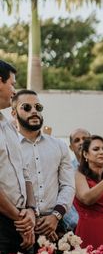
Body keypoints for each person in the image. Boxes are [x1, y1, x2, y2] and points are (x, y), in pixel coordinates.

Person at [12, 90, 74, 242]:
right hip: (18, 226)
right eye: (26, 107)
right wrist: (25, 219)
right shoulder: (8, 146)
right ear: (14, 113)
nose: (34, 111)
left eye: (38, 107)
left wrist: (55, 216)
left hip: (55, 227)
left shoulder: (59, 146)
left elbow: (68, 186)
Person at [0, 60, 36, 254]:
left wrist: (30, 210)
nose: (14, 91)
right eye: (12, 84)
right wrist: (20, 219)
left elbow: (24, 172)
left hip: (22, 221)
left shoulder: (10, 127)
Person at [63, 127, 90, 233]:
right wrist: (79, 223)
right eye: (77, 140)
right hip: (78, 228)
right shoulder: (66, 169)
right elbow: (64, 199)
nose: (81, 142)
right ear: (71, 147)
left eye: (85, 139)